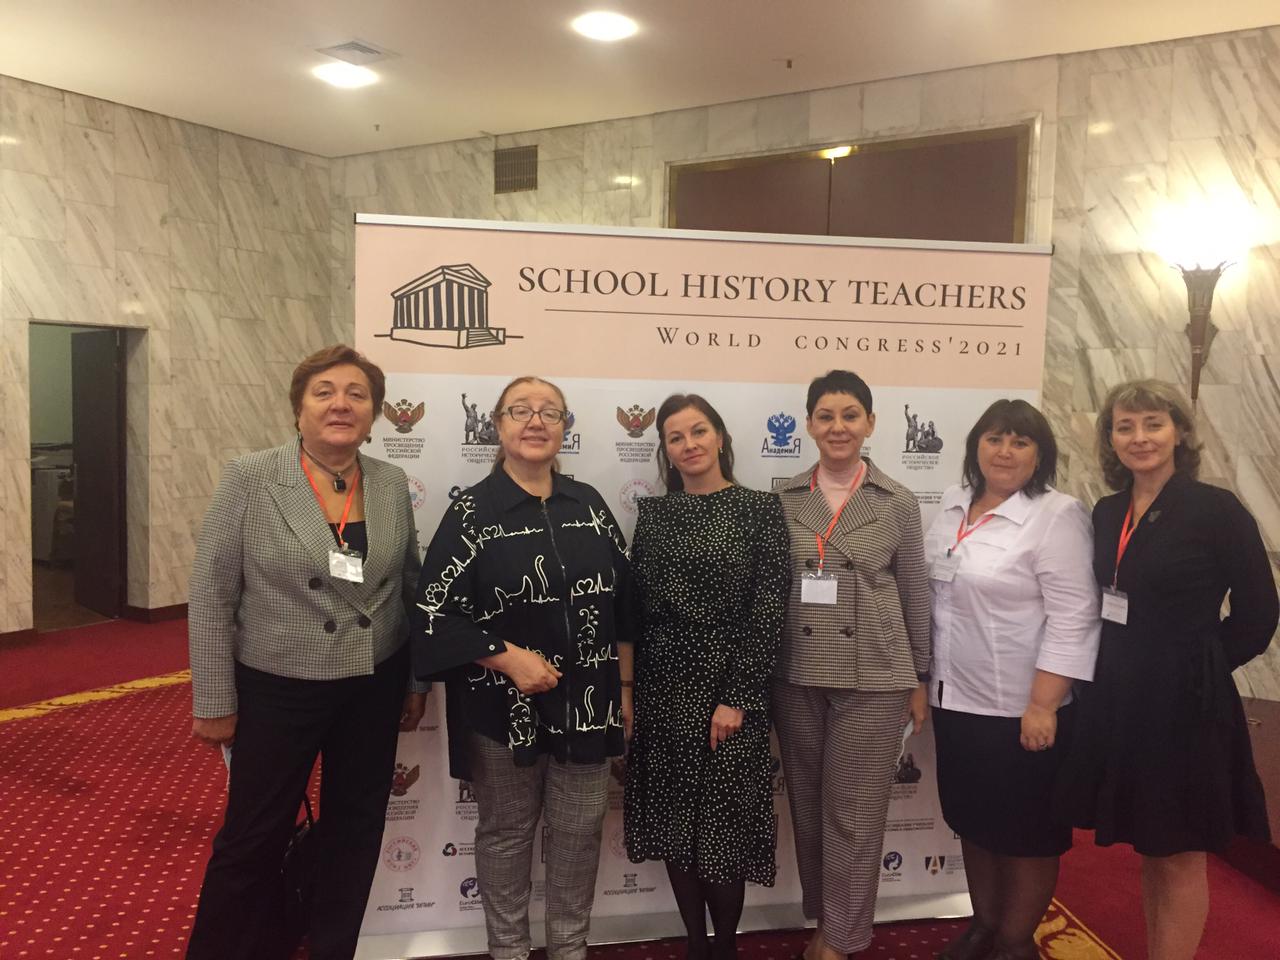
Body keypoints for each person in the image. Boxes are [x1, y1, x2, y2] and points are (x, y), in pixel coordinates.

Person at [186, 344, 427, 960]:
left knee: (355, 828)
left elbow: (410, 585)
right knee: (252, 837)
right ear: (298, 409)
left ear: (374, 414)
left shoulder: (391, 482)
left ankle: (332, 947)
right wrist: (213, 700)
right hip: (278, 685)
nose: (340, 404)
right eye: (324, 392)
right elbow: (212, 592)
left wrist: (415, 682)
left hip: (373, 682)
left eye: (356, 394)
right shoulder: (250, 477)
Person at [413, 376, 633, 960]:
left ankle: (569, 949)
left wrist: (625, 687)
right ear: (497, 425)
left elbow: (626, 604)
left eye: (549, 412)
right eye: (520, 410)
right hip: (500, 709)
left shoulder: (588, 503)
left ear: (564, 427)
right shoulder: (471, 511)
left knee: (579, 833)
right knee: (507, 834)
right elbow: (433, 614)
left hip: (589, 704)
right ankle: (508, 951)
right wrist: (508, 659)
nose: (536, 421)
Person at [1057, 379, 1278, 960]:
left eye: (1153, 423)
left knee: (1180, 852)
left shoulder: (1217, 510)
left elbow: (1259, 614)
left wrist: (1200, 662)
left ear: (1179, 432)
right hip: (1122, 699)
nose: (1140, 437)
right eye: (1125, 426)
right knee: (1151, 845)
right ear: (1110, 438)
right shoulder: (1107, 512)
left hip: (1186, 706)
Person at [924, 399, 1100, 960]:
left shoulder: (1057, 515)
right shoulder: (952, 504)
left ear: (1040, 455)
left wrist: (1043, 704)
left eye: (1020, 442)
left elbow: (1075, 616)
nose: (1005, 451)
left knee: (1026, 835)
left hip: (1021, 707)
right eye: (995, 439)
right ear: (976, 445)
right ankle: (984, 925)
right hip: (955, 699)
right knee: (975, 823)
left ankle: (1016, 942)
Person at [624, 394, 789, 960]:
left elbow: (768, 610)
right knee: (677, 827)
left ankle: (725, 946)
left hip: (729, 693)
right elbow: (636, 610)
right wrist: (631, 691)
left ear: (720, 437)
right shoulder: (654, 515)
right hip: (663, 690)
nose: (689, 444)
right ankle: (695, 943)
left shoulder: (760, 510)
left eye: (698, 431)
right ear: (665, 451)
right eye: (675, 437)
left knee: (722, 830)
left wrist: (737, 697)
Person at [773, 369, 931, 960]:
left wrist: (920, 675)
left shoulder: (897, 501)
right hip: (797, 670)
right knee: (810, 807)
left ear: (870, 423)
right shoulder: (783, 499)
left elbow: (914, 590)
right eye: (826, 416)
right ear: (809, 425)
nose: (837, 427)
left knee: (855, 813)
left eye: (849, 415)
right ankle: (827, 919)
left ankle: (839, 941)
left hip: (876, 674)